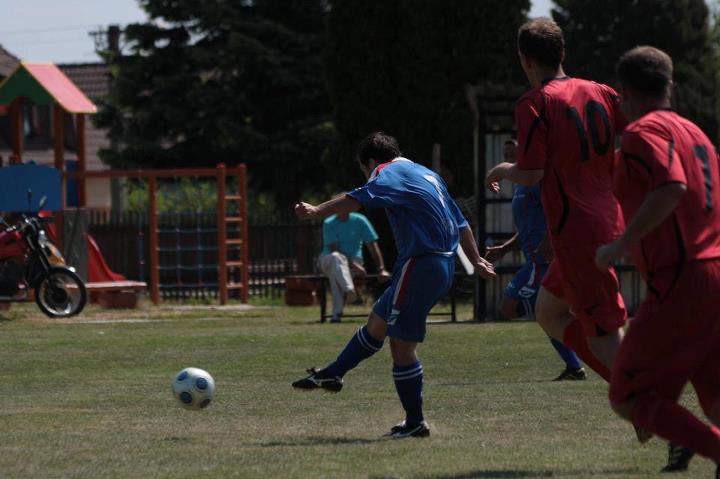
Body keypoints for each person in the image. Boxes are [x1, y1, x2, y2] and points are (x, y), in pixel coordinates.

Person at [292, 131, 496, 438]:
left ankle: (415, 423)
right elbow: (461, 221)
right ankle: (333, 373)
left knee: (401, 345)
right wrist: (476, 258)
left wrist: (317, 211)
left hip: (421, 264)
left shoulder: (388, 172)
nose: (368, 175)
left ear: (371, 162)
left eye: (365, 169)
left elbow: (357, 198)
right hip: (436, 264)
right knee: (378, 322)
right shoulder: (427, 174)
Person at [595, 46, 720, 476]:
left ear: (623, 92)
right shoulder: (697, 133)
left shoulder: (643, 131)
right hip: (715, 271)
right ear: (671, 86)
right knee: (714, 397)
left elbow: (671, 187)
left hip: (684, 278)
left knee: (626, 396)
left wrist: (621, 244)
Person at [485, 18, 627, 386]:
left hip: (577, 226)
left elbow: (531, 173)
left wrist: (501, 169)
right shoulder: (602, 91)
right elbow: (634, 137)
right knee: (549, 313)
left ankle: (645, 398)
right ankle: (631, 392)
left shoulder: (536, 102)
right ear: (562, 52)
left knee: (603, 327)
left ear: (525, 60)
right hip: (603, 218)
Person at [485, 139, 585, 381]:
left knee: (514, 308)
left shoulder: (537, 180)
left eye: (513, 150)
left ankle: (576, 335)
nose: (509, 154)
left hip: (543, 261)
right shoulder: (520, 185)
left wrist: (550, 240)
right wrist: (505, 249)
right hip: (532, 261)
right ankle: (574, 363)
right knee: (539, 314)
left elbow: (557, 210)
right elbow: (527, 227)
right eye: (505, 151)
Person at [318, 209, 390, 323]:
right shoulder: (328, 222)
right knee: (336, 257)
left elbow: (372, 245)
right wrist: (354, 265)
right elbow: (334, 249)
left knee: (336, 275)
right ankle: (349, 289)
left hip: (352, 264)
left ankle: (336, 314)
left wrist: (381, 269)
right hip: (329, 259)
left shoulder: (360, 220)